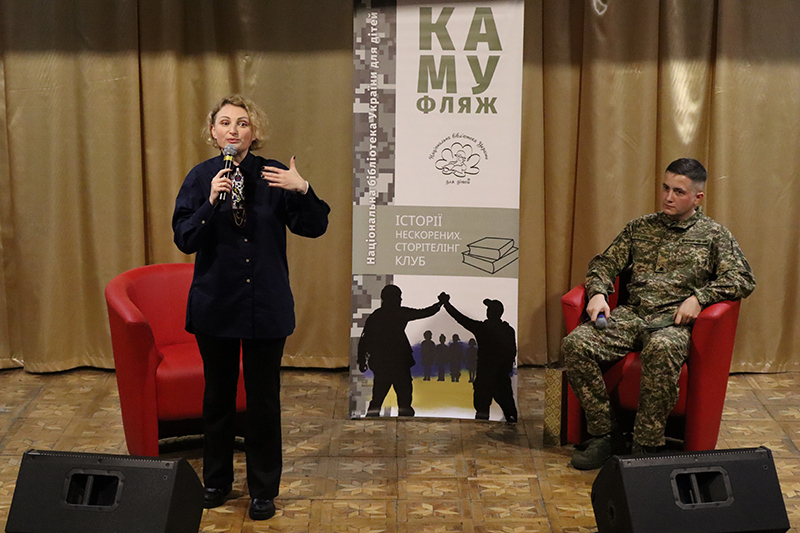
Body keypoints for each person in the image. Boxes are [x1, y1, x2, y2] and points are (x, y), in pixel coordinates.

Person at [172, 94, 330, 519]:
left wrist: (304, 190)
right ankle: (216, 482)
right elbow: (185, 238)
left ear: (253, 132)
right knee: (218, 398)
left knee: (263, 401)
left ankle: (263, 490)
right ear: (213, 132)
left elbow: (314, 226)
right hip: (217, 304)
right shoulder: (201, 177)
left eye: (242, 123)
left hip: (265, 304)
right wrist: (210, 201)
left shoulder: (275, 175)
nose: (234, 130)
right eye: (225, 123)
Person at [562, 158, 755, 470]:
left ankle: (646, 447)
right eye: (665, 188)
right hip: (633, 315)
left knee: (661, 349)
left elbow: (742, 278)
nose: (668, 197)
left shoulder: (714, 236)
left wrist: (700, 298)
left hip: (672, 323)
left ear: (698, 197)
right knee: (575, 344)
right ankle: (605, 435)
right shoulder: (640, 228)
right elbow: (604, 263)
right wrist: (598, 292)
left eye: (678, 192)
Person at [357, 285, 442, 417]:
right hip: (399, 363)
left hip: (383, 363)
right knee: (403, 399)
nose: (400, 300)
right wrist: (440, 303)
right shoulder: (400, 313)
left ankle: (373, 419)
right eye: (398, 297)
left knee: (378, 399)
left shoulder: (376, 316)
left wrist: (362, 360)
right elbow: (424, 312)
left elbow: (364, 339)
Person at [438, 293, 518, 423]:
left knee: (482, 412)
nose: (487, 311)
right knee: (509, 411)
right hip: (501, 376)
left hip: (485, 376)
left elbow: (461, 319)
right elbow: (512, 351)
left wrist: (446, 304)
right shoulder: (508, 330)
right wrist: (506, 368)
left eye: (489, 309)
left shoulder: (483, 328)